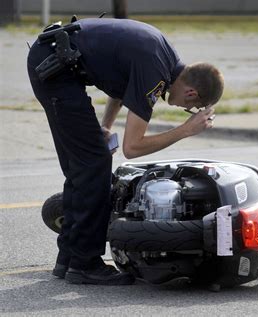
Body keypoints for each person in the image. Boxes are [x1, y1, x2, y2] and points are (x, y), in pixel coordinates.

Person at [27, 18, 224, 285]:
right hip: (55, 69)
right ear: (191, 93)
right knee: (93, 166)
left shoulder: (165, 60)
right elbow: (132, 147)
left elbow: (122, 91)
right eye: (190, 108)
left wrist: (106, 125)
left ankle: (69, 259)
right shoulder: (156, 71)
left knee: (83, 167)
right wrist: (185, 130)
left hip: (53, 57)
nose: (182, 110)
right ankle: (85, 264)